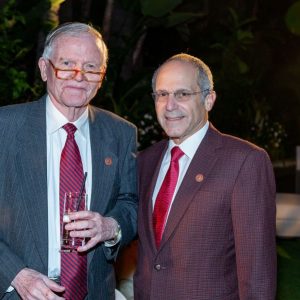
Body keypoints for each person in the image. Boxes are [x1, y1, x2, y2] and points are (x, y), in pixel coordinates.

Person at [0, 22, 138, 300]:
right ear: (43, 68)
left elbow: (130, 202)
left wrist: (111, 227)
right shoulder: (5, 127)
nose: (79, 76)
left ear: (101, 76)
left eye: (90, 67)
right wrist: (15, 273)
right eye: (66, 64)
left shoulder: (121, 133)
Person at [134, 53, 277, 299]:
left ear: (209, 99)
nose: (170, 105)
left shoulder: (244, 161)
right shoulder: (145, 161)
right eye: (162, 94)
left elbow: (257, 270)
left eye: (183, 94)